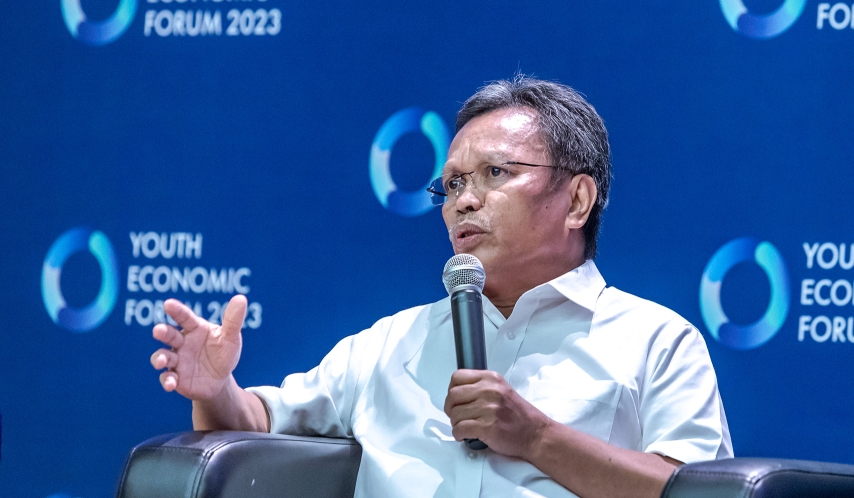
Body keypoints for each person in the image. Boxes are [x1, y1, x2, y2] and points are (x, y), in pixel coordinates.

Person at [150, 76, 732, 498]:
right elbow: (256, 425)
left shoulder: (655, 340)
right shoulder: (389, 343)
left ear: (576, 200)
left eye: (495, 174)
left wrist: (534, 437)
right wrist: (214, 389)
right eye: (451, 185)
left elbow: (698, 495)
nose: (464, 201)